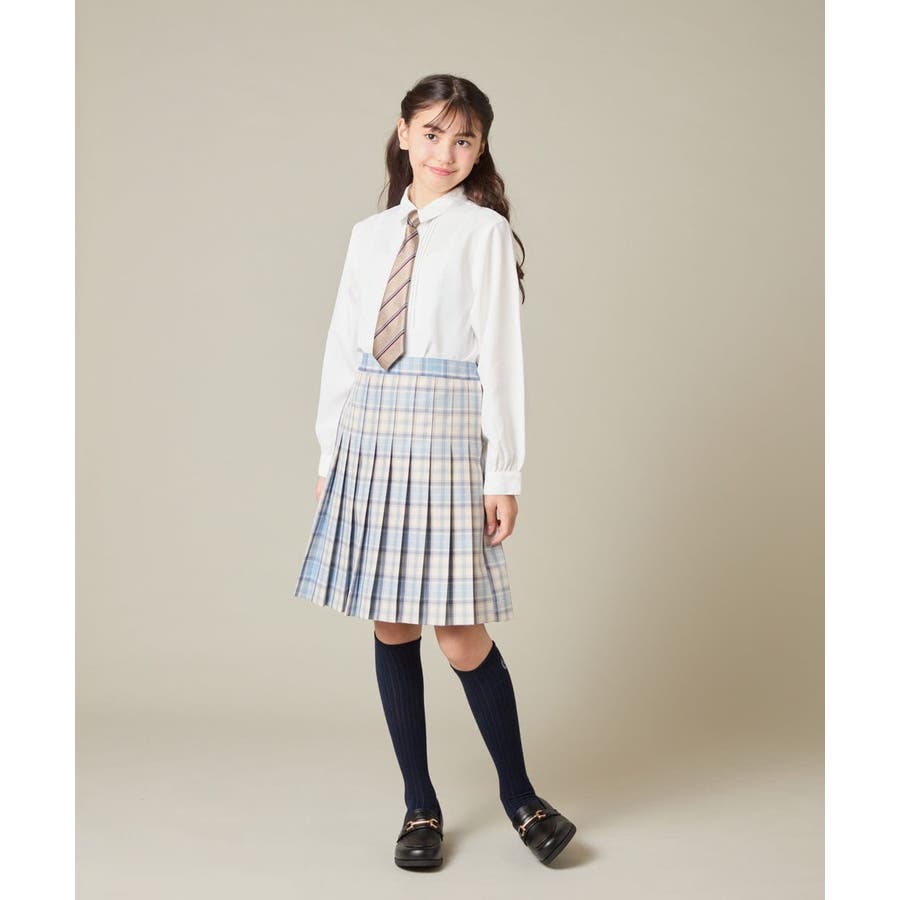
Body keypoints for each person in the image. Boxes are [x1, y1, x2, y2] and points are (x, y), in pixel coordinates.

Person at [293, 73, 576, 869]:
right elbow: (344, 343)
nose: (446, 152)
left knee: (459, 633)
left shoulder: (483, 233)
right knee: (392, 623)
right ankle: (419, 805)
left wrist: (503, 472)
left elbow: (502, 358)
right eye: (432, 134)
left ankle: (521, 798)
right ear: (403, 133)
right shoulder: (369, 234)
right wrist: (329, 451)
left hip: (448, 432)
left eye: (464, 139)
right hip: (371, 427)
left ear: (480, 150)